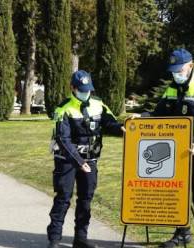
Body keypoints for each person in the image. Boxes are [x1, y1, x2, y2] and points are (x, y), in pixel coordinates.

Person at [140, 48, 194, 248]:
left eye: (180, 70)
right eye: (174, 70)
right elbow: (159, 114)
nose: (176, 74)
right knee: (177, 194)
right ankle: (181, 233)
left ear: (191, 66)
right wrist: (141, 118)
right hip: (175, 152)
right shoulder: (171, 89)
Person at [47, 70, 125, 248]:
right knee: (63, 198)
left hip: (90, 160)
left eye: (88, 89)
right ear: (73, 88)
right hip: (67, 161)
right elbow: (63, 139)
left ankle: (80, 238)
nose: (85, 92)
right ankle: (54, 239)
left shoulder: (98, 104)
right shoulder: (63, 108)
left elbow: (110, 123)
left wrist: (124, 128)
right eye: (81, 89)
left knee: (86, 198)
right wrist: (79, 162)